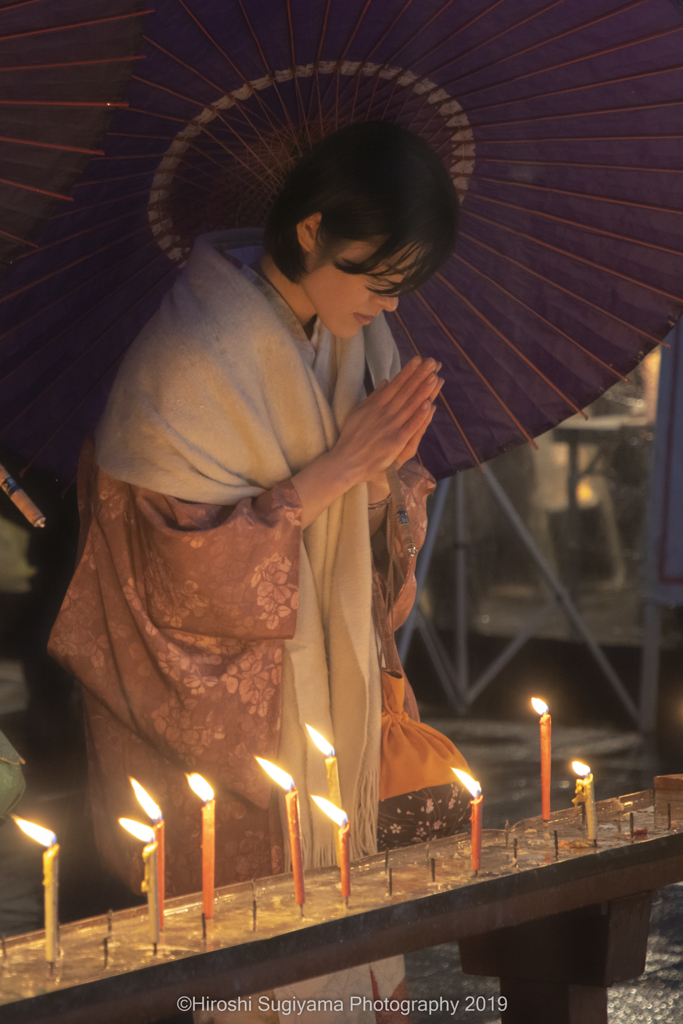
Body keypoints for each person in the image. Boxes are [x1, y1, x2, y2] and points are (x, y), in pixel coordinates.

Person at [48, 121, 467, 1022]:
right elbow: (175, 593)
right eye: (374, 278)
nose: (386, 306)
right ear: (311, 229)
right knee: (246, 952)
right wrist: (333, 474)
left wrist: (385, 480)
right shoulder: (186, 362)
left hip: (325, 706)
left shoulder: (361, 349)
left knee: (342, 941)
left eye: (402, 288)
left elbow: (373, 574)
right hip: (220, 725)